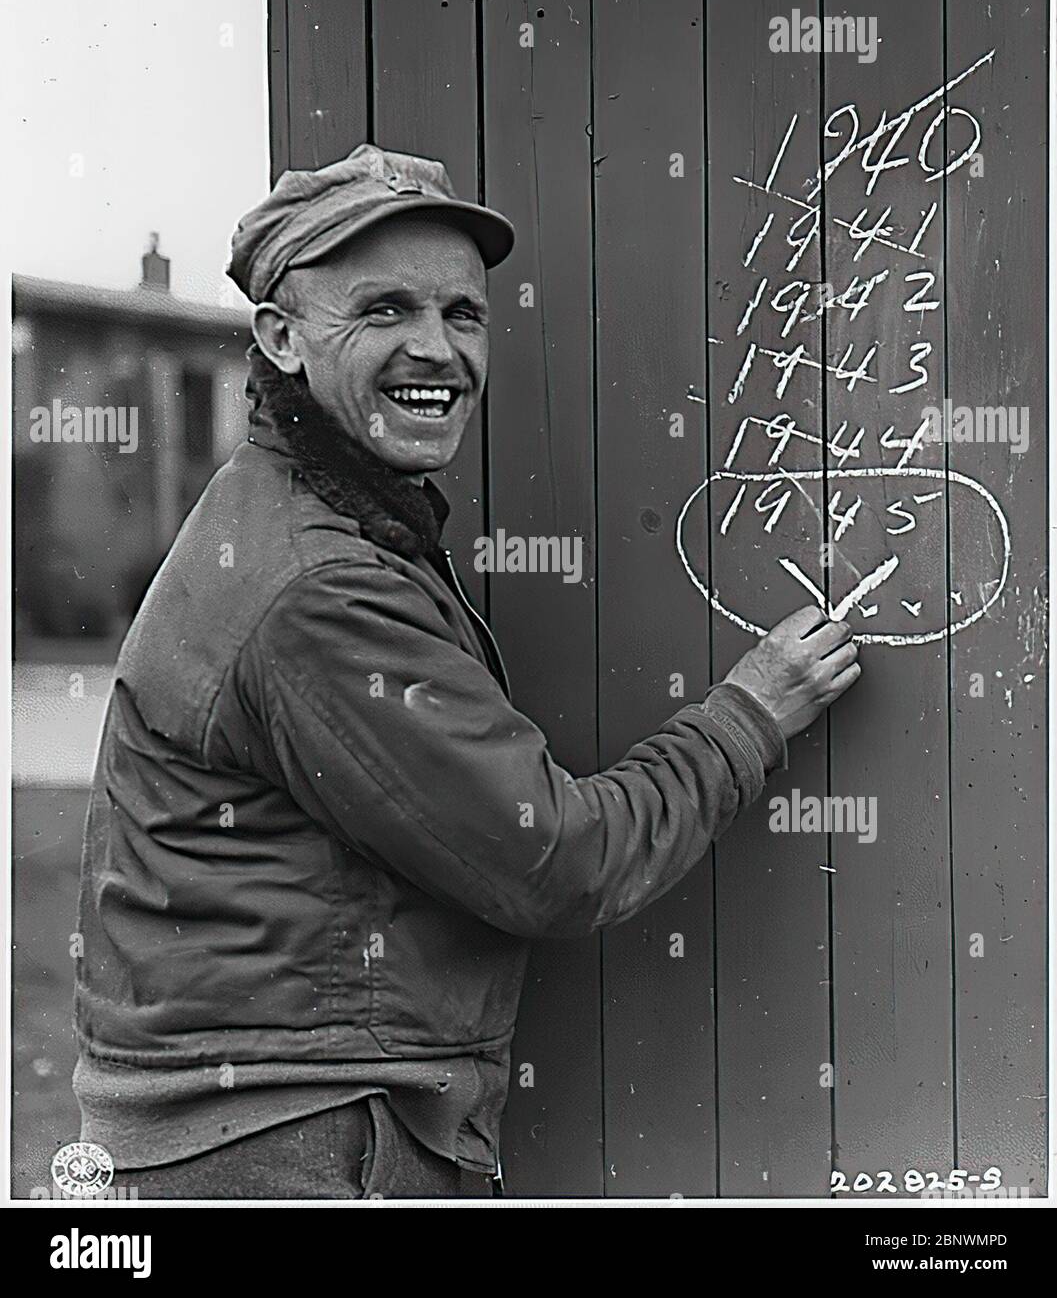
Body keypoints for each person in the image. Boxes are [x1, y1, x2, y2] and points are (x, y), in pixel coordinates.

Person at [73, 144, 860, 1200]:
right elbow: (556, 861)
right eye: (384, 310)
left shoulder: (315, 517)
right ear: (281, 338)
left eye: (463, 314)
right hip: (288, 1151)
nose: (435, 348)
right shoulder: (315, 588)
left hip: (277, 1131)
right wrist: (751, 710)